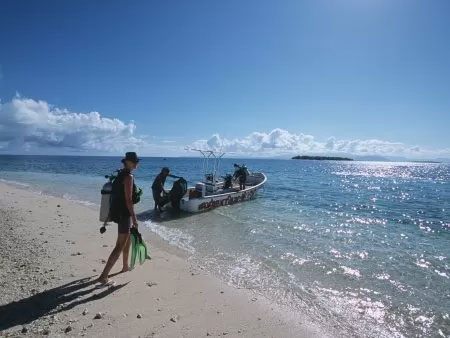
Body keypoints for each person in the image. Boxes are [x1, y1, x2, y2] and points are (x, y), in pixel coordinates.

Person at [97, 152, 140, 285]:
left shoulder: (120, 174)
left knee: (127, 239)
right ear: (130, 162)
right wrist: (134, 218)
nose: (137, 164)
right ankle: (104, 276)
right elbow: (128, 199)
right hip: (124, 214)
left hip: (117, 212)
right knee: (120, 245)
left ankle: (125, 266)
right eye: (135, 162)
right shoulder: (128, 177)